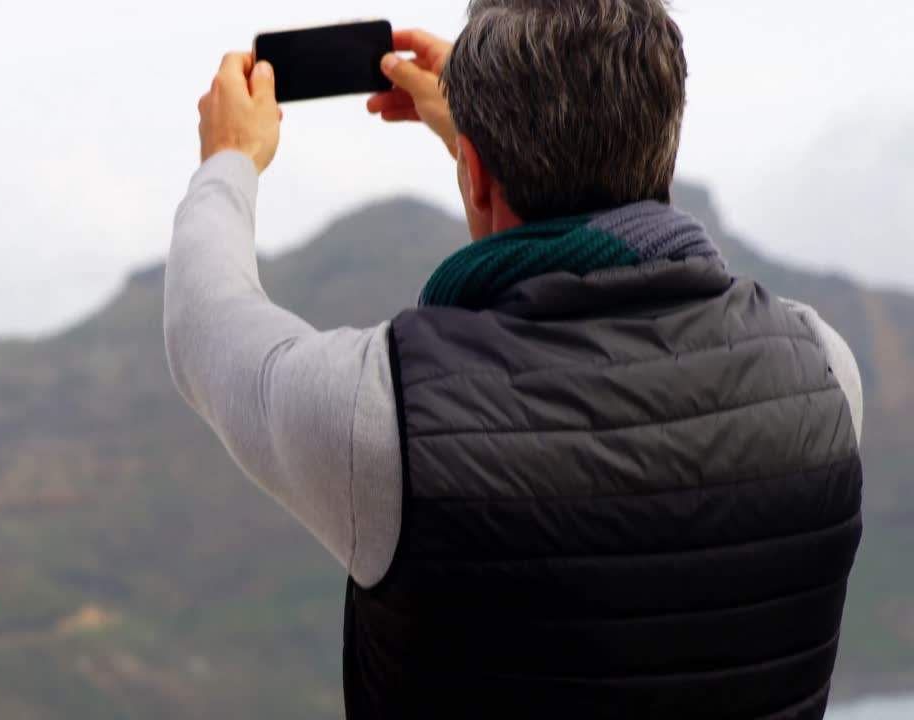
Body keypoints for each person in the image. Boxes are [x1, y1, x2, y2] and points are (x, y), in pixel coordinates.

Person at [164, 2, 865, 718]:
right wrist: (484, 144)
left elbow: (205, 323)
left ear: (473, 174)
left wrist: (228, 161)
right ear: (665, 136)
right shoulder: (824, 375)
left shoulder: (386, 420)